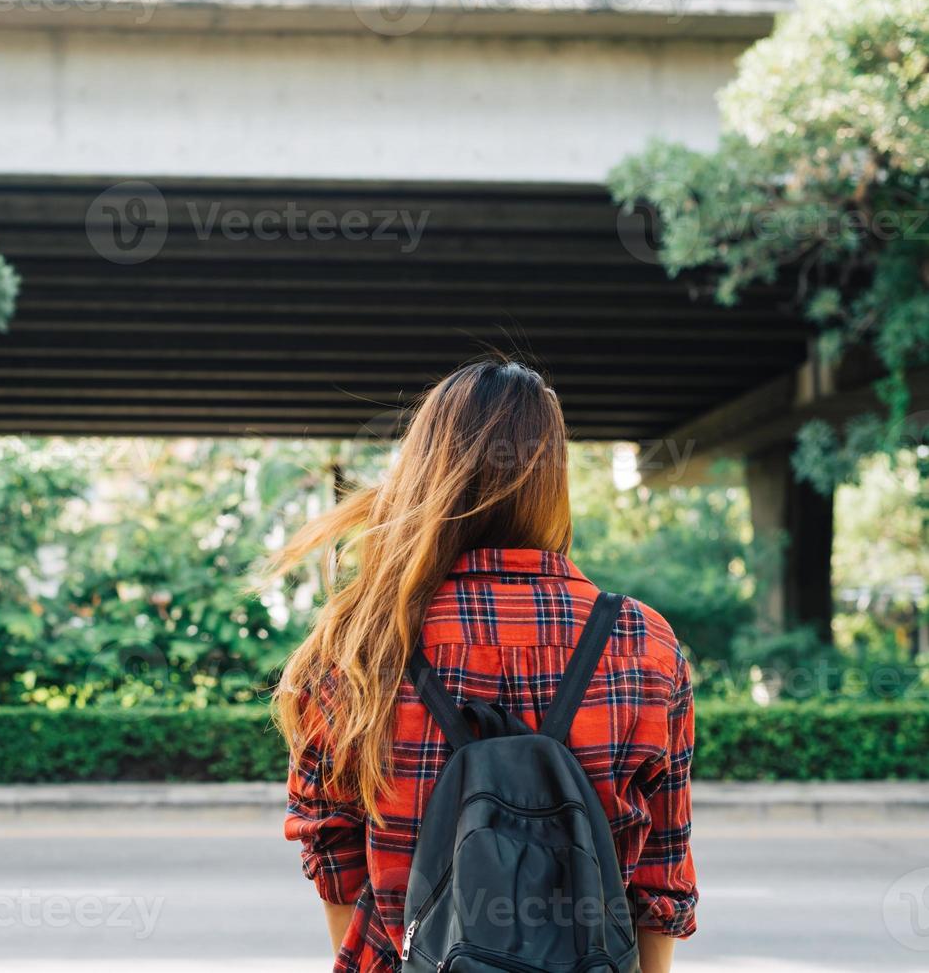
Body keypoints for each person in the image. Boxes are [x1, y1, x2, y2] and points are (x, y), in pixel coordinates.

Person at [271, 359, 697, 973]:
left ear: (426, 471)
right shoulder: (641, 642)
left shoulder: (358, 644)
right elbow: (661, 879)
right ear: (551, 480)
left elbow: (333, 855)